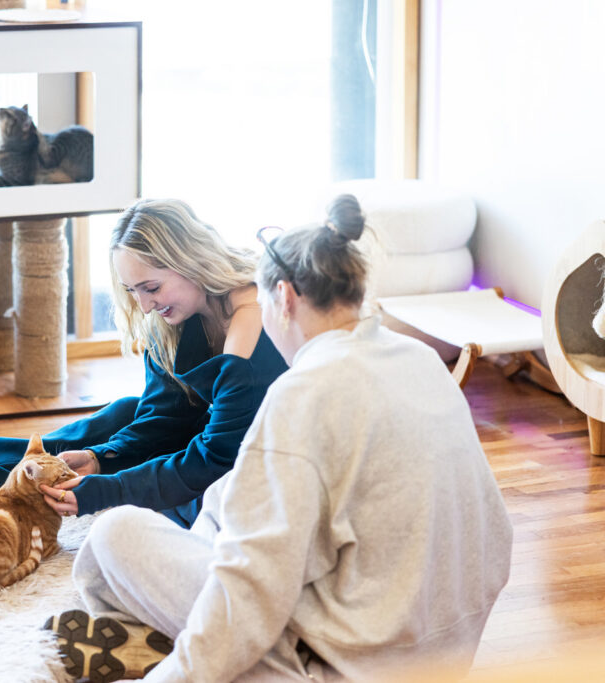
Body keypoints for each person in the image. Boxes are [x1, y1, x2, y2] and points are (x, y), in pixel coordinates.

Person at [45, 194, 514, 682]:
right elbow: (497, 534)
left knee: (113, 536)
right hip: (449, 653)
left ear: (285, 299)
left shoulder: (303, 393)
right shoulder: (422, 361)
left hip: (343, 665)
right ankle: (164, 639)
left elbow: (251, 592)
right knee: (224, 502)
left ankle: (168, 650)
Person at [0, 198, 287, 526]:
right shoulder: (180, 318)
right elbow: (165, 415)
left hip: (249, 460)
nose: (144, 306)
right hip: (214, 437)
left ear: (190, 261)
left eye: (151, 288)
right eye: (133, 291)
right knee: (124, 416)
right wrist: (99, 457)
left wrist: (103, 490)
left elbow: (215, 459)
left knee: (146, 454)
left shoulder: (252, 316)